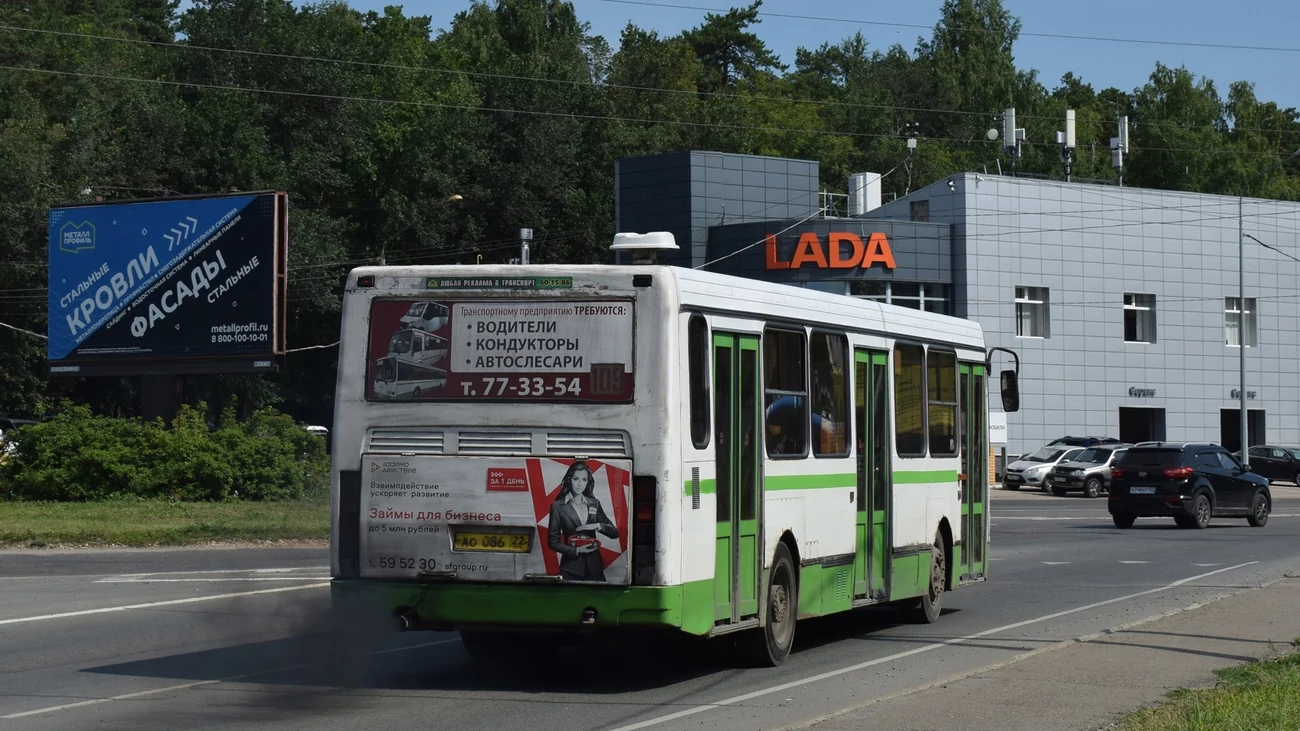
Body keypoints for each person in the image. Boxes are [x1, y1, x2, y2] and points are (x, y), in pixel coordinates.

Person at [546, 461, 619, 581]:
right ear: (570, 480)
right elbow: (553, 542)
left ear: (588, 482)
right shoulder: (558, 506)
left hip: (595, 567)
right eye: (576, 479)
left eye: (584, 480)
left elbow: (614, 533)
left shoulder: (594, 503)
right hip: (571, 568)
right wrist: (576, 550)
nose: (580, 484)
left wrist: (596, 526)